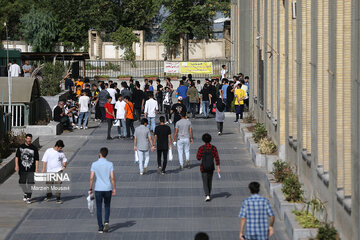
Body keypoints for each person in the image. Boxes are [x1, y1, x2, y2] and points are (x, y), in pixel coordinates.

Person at [89, 147, 116, 233]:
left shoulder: (94, 164)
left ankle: (100, 227)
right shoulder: (110, 164)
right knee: (107, 205)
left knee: (99, 207)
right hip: (108, 188)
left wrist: (90, 188)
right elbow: (112, 177)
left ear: (100, 154)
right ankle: (106, 221)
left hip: (98, 189)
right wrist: (114, 188)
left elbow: (91, 178)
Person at [15, 134, 39, 204]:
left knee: (30, 183)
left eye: (30, 139)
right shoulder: (21, 147)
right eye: (28, 139)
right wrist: (16, 165)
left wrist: (37, 169)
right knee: (21, 182)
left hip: (31, 169)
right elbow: (17, 157)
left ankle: (28, 197)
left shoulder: (34, 148)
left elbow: (36, 159)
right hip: (22, 169)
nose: (29, 140)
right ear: (25, 139)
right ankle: (26, 192)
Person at [196, 133, 220, 202]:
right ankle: (208, 193)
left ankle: (207, 195)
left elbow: (198, 158)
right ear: (210, 139)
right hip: (211, 167)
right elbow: (217, 158)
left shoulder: (201, 148)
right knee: (210, 181)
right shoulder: (214, 148)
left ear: (203, 140)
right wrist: (218, 167)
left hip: (203, 167)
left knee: (205, 181)